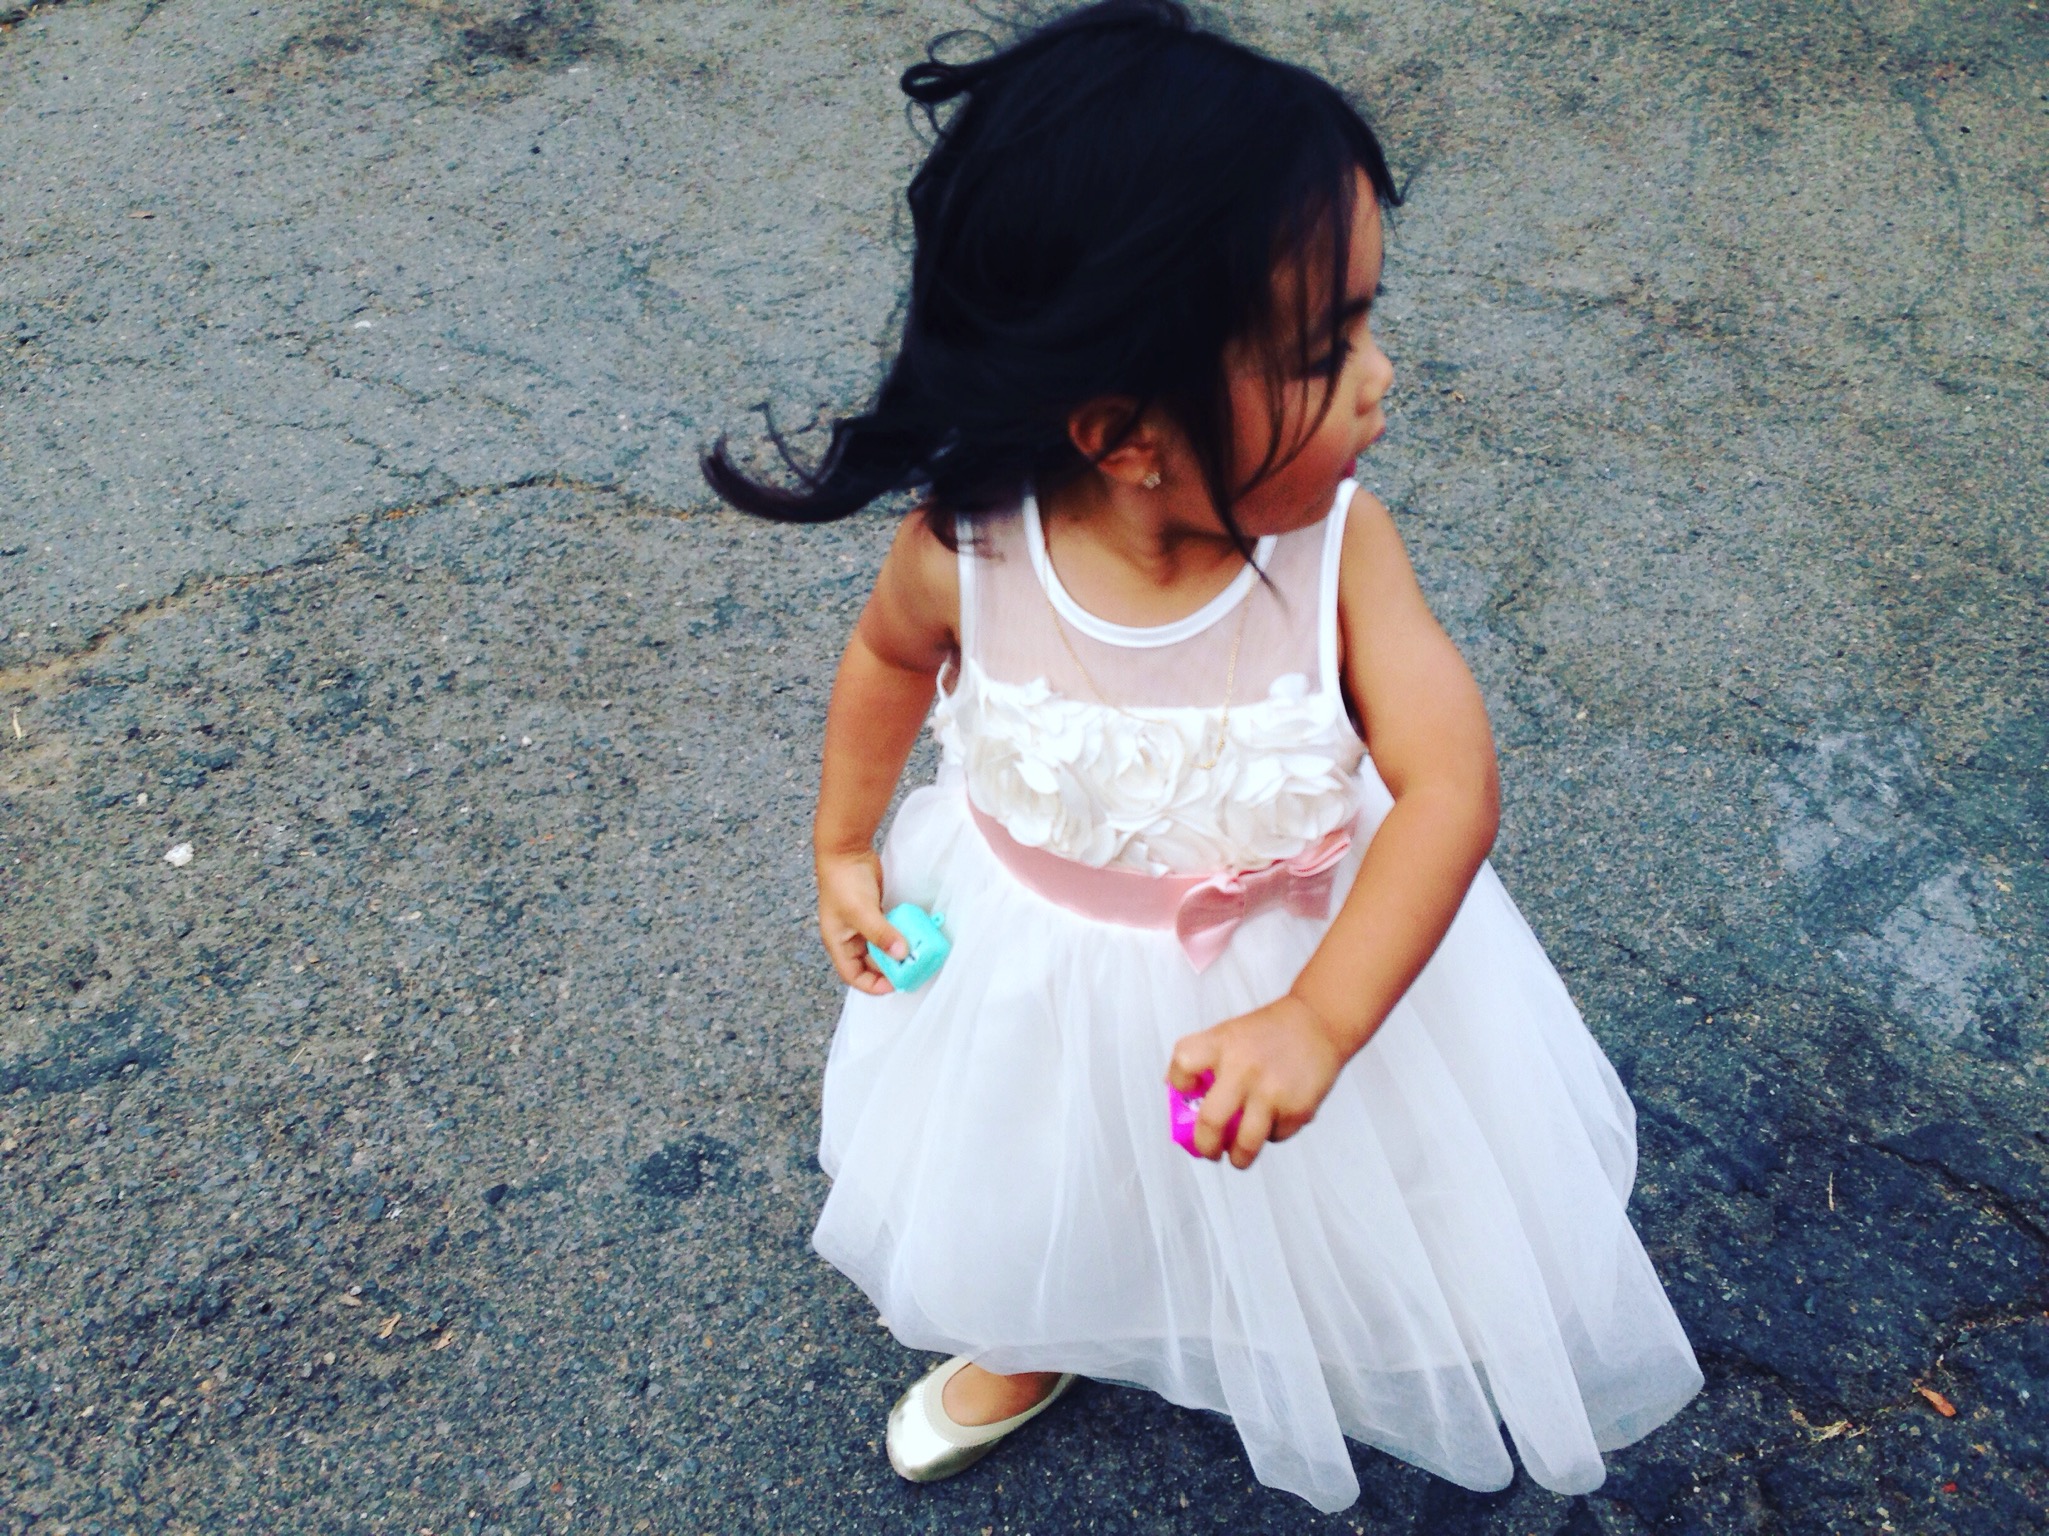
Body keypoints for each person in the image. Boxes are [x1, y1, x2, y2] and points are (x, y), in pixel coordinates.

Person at [703, 0, 1702, 1514]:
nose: (1382, 378)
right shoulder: (967, 552)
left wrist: (1318, 1019)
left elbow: (1448, 787)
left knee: (1325, 1180)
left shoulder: (1342, 559)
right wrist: (844, 845)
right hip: (1031, 974)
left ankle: (1308, 1323)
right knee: (1042, 1169)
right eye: (1324, 345)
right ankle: (1041, 1320)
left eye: (1366, 321)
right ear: (1124, 432)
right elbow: (888, 662)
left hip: (1309, 968)